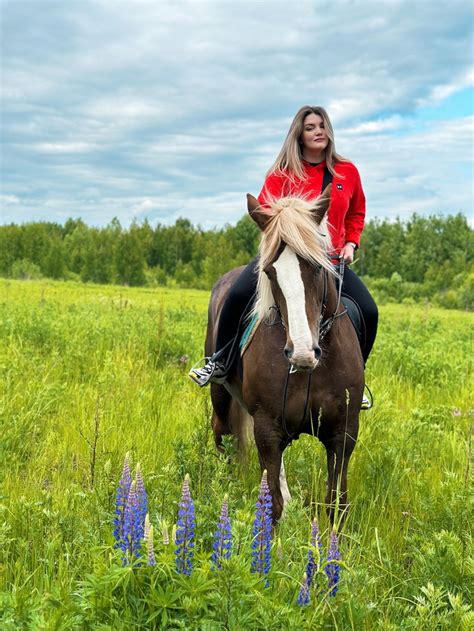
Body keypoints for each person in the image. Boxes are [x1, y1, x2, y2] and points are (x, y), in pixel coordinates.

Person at [190, 105, 378, 408]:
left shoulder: (347, 172)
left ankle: (355, 383)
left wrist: (351, 244)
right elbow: (264, 211)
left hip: (327, 261)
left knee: (369, 311)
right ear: (299, 135)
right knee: (237, 294)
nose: (318, 131)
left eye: (322, 125)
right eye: (310, 127)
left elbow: (356, 212)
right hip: (284, 257)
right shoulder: (282, 174)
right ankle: (219, 361)